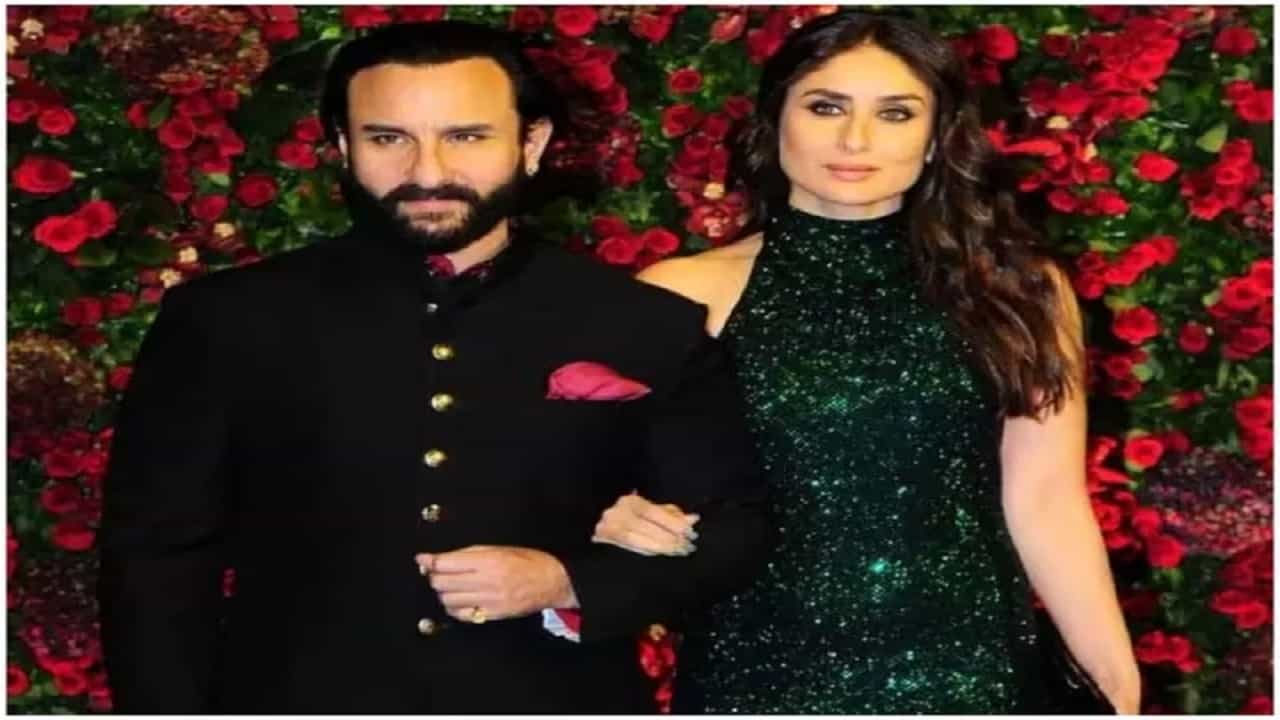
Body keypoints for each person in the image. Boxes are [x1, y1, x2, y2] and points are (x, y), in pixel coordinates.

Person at [98, 21, 770, 713]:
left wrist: (567, 582)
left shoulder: (643, 322)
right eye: (388, 138)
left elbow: (736, 529)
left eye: (466, 136)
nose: (427, 172)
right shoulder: (228, 319)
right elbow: (156, 561)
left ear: (531, 143)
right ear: (343, 146)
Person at [589, 11, 1142, 714]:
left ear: (936, 136)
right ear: (775, 120)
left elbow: (1046, 501)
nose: (856, 140)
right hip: (756, 674)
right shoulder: (682, 294)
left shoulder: (1016, 288)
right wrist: (609, 512)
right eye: (826, 107)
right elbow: (585, 473)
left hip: (969, 676)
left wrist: (1116, 683)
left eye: (895, 113)